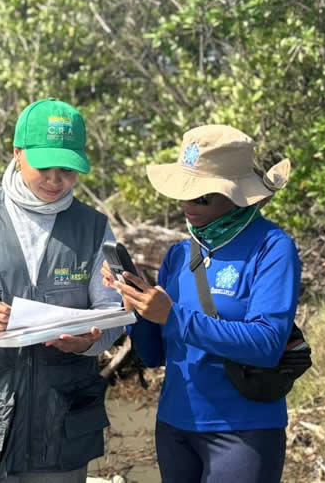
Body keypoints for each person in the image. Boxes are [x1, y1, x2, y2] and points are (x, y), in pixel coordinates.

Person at [0, 98, 123, 483]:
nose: (54, 180)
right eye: (43, 167)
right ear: (17, 153)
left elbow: (112, 310)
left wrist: (92, 342)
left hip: (62, 426)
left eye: (66, 169)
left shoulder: (95, 228)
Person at [103, 124, 299, 483]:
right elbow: (154, 355)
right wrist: (136, 304)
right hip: (175, 426)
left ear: (238, 194)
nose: (187, 206)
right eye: (184, 194)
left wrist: (174, 316)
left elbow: (267, 344)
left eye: (202, 197)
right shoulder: (179, 254)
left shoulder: (272, 248)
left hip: (243, 433)